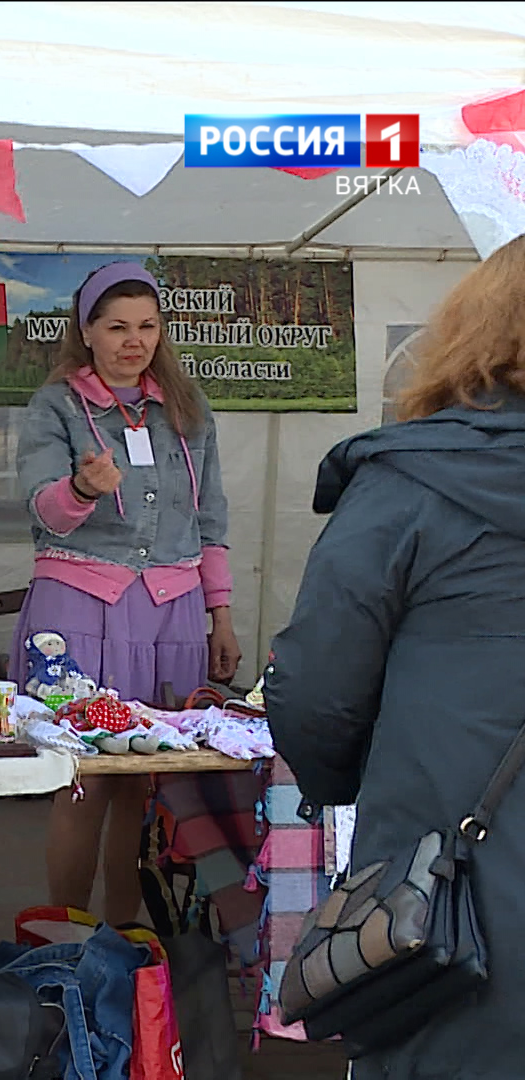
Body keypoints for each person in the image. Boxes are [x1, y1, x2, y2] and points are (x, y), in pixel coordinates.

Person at [267, 235, 524, 1077]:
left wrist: (340, 785)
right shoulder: (410, 479)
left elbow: (313, 691)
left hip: (451, 898)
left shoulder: (409, 482)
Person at [12, 261, 239, 927]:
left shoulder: (186, 410)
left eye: (146, 326)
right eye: (116, 327)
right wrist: (81, 489)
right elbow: (41, 512)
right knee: (82, 779)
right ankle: (63, 931)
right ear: (87, 333)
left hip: (169, 612)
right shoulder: (55, 407)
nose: (133, 340)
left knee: (142, 785)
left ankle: (126, 939)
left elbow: (211, 521)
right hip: (79, 608)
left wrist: (219, 617)